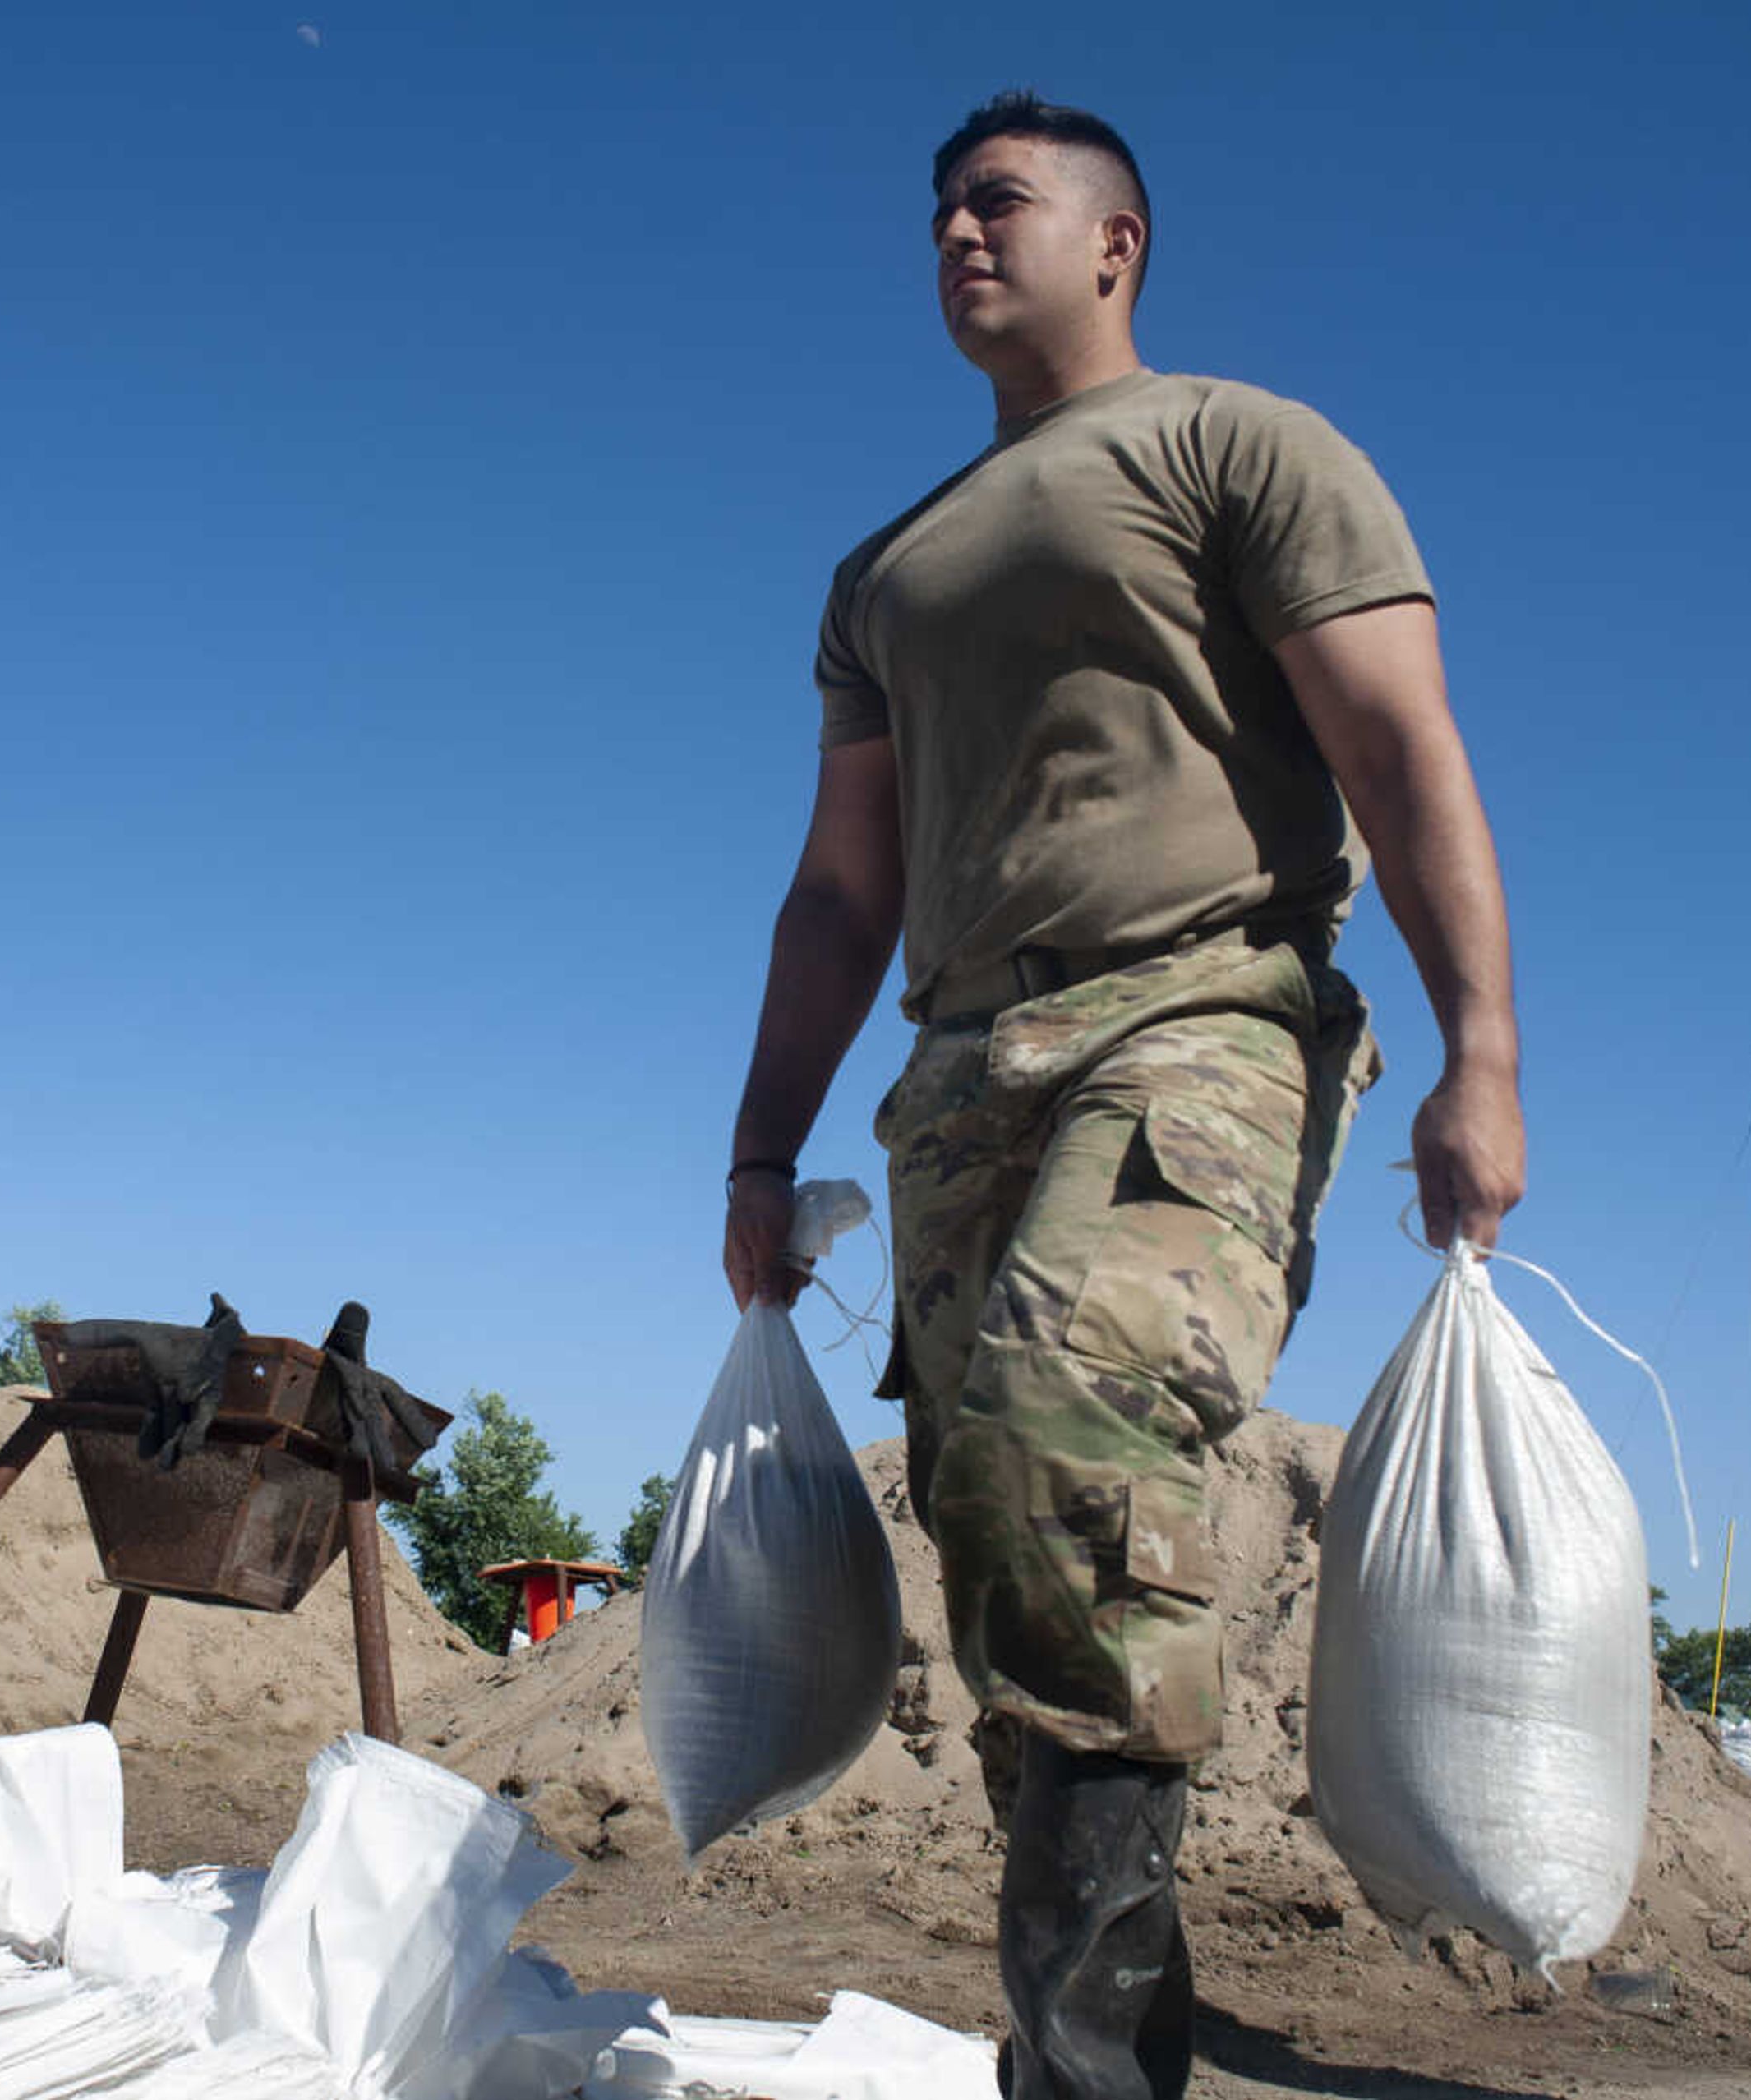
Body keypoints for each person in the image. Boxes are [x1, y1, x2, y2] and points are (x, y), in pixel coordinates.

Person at [720, 91, 1525, 2100]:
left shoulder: (1232, 446)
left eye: (995, 201)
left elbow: (1400, 747)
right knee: (1002, 1535)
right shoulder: (880, 568)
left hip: (1202, 1016)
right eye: (933, 217)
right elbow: (839, 889)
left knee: (1068, 1446)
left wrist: (1476, 1049)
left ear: (1117, 243)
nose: (952, 236)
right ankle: (1084, 2050)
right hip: (955, 1072)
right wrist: (759, 1142)